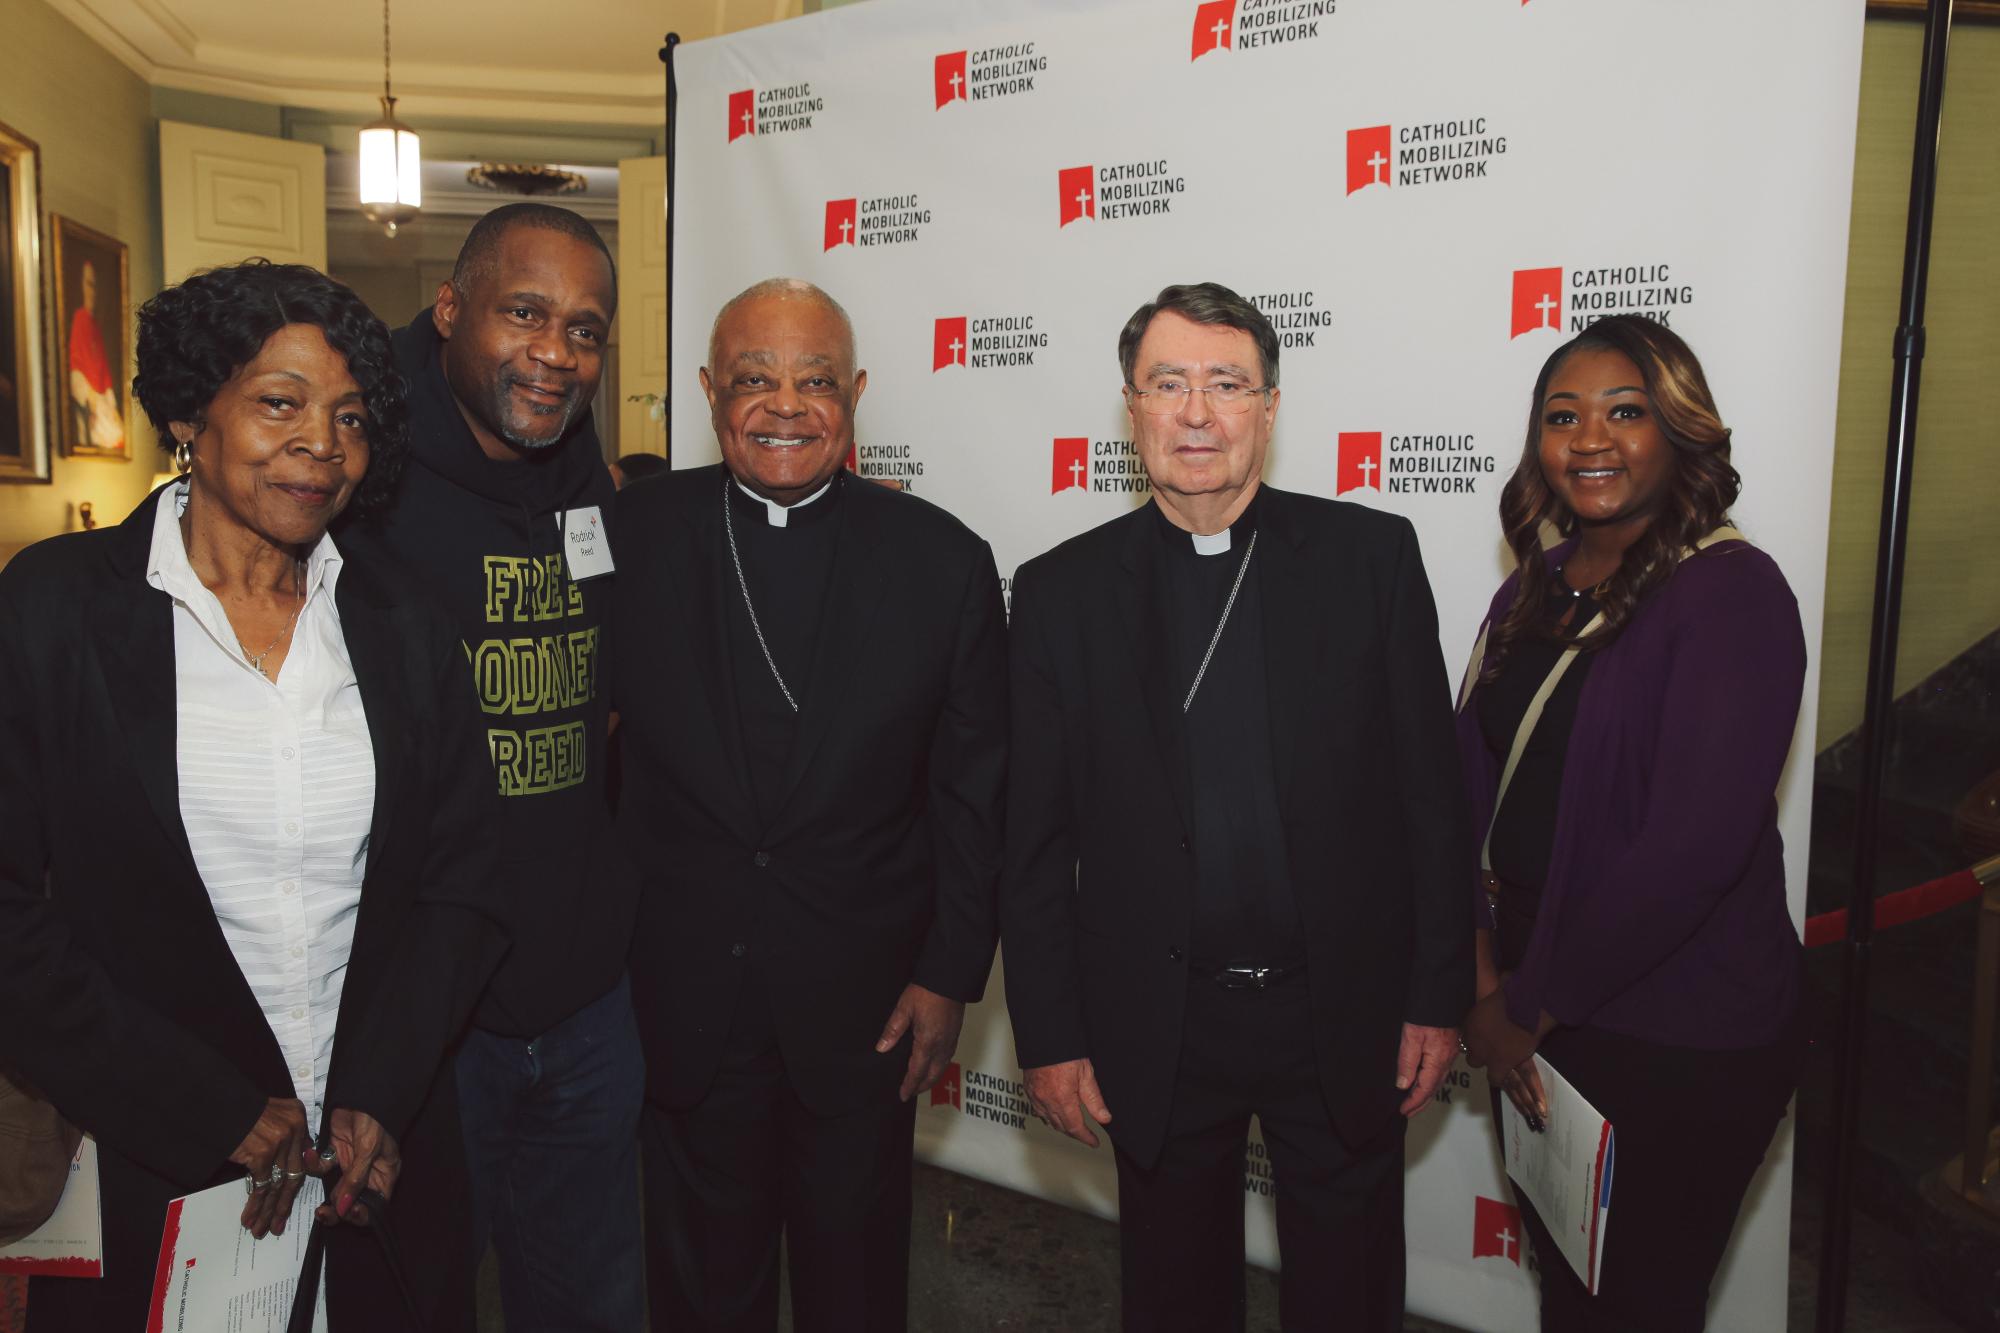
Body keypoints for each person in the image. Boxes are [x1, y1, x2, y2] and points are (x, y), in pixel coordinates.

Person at [0, 259, 507, 1331]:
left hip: (374, 1165)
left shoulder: (403, 619)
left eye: (352, 418)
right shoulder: (56, 611)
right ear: (192, 410)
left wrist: (380, 1090)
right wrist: (208, 1109)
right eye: (280, 403)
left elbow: (465, 877)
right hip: (148, 1158)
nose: (323, 444)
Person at [1001, 282, 1472, 1331]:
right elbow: (1030, 842)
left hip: (1337, 1008)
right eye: (1168, 384)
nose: (1197, 412)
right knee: (1171, 1298)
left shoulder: (1369, 559)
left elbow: (1429, 803)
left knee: (1346, 1296)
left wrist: (1435, 993)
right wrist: (1049, 1032)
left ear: (1268, 406)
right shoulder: (1058, 593)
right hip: (1157, 1017)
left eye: (1225, 384)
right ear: (1130, 408)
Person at [613, 277, 1007, 1331]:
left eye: (815, 380)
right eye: (753, 378)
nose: (785, 404)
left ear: (858, 392)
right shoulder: (625, 537)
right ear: (706, 390)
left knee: (855, 1279)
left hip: (865, 998)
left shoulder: (941, 561)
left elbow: (973, 796)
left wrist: (946, 972)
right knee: (697, 1282)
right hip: (684, 985)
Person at [1456, 315, 1806, 1331]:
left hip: (1673, 1030)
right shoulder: (1528, 591)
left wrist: (1527, 1004)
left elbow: (1689, 849)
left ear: (1678, 429)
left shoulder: (1730, 595)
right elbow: (1462, 792)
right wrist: (1484, 979)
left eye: (1624, 412)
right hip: (1528, 1008)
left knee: (1634, 1305)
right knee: (1570, 1294)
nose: (1589, 440)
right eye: (1561, 417)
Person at [350, 202, 645, 1330]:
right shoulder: (354, 484)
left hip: (580, 996)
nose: (553, 352)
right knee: (416, 1299)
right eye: (524, 312)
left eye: (582, 329)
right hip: (426, 1016)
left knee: (588, 1299)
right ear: (448, 308)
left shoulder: (579, 471)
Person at [66, 260, 125, 451]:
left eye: (95, 286)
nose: (93, 291)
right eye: (88, 284)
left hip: (102, 400)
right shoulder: (79, 319)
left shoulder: (95, 327)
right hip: (90, 399)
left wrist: (113, 408)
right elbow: (75, 368)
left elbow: (105, 374)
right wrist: (92, 400)